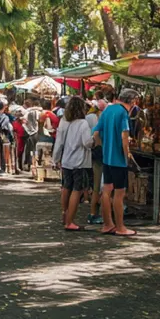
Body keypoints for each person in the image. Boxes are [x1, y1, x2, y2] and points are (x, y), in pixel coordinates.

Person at [93, 88, 137, 237]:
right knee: (119, 193)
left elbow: (96, 133)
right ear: (132, 102)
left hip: (107, 158)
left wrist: (103, 146)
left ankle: (107, 224)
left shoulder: (107, 110)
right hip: (119, 160)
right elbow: (125, 138)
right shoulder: (123, 113)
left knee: (106, 191)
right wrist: (128, 155)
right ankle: (120, 227)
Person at [53, 96, 94, 231]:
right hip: (79, 161)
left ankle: (65, 213)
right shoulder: (83, 123)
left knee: (66, 187)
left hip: (66, 161)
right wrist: (94, 139)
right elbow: (87, 143)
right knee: (77, 189)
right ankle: (70, 221)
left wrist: (55, 158)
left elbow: (59, 142)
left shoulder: (64, 122)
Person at [84, 98, 104, 225]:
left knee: (97, 187)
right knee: (100, 188)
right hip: (102, 159)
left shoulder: (95, 126)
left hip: (96, 158)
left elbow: (90, 142)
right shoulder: (101, 127)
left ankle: (95, 213)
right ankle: (96, 213)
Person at [22, 102, 40, 170]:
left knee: (29, 149)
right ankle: (34, 164)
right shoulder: (38, 112)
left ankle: (29, 164)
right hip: (36, 132)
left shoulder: (27, 112)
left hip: (30, 133)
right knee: (35, 149)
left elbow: (24, 121)